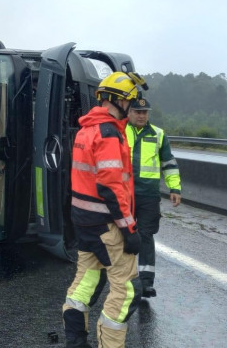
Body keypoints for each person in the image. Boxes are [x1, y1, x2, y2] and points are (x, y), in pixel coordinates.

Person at [62, 71, 144, 348]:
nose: (133, 108)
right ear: (118, 101)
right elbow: (111, 187)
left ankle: (75, 342)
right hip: (107, 224)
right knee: (127, 287)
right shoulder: (109, 134)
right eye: (131, 102)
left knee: (87, 278)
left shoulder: (87, 129)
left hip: (85, 221)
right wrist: (129, 229)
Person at [126, 98, 181, 298]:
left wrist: (174, 187)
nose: (141, 116)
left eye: (145, 112)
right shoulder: (121, 131)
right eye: (137, 112)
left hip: (149, 195)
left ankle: (146, 283)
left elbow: (169, 163)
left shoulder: (158, 134)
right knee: (124, 235)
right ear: (129, 112)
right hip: (126, 194)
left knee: (146, 236)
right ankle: (124, 279)